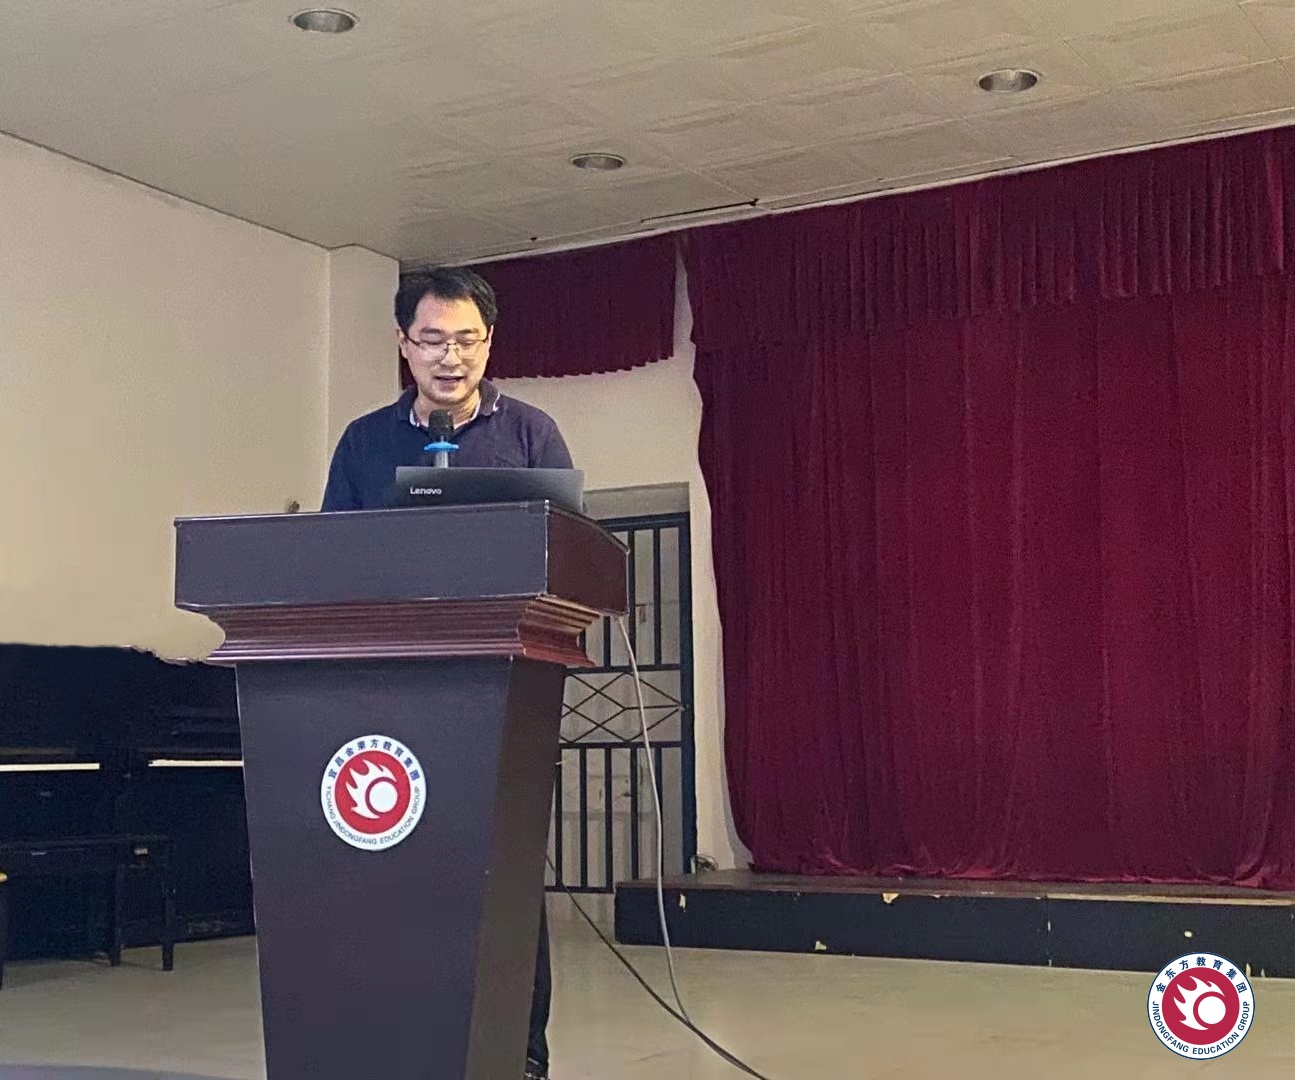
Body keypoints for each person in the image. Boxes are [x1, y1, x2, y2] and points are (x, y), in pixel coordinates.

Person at [322, 265, 568, 1080]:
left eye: (466, 340)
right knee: (401, 877)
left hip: (506, 692)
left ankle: (519, 1055)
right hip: (394, 699)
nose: (450, 357)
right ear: (403, 344)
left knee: (506, 879)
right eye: (431, 340)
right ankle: (404, 1041)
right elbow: (330, 562)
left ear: (489, 343)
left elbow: (569, 557)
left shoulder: (530, 434)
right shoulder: (364, 443)